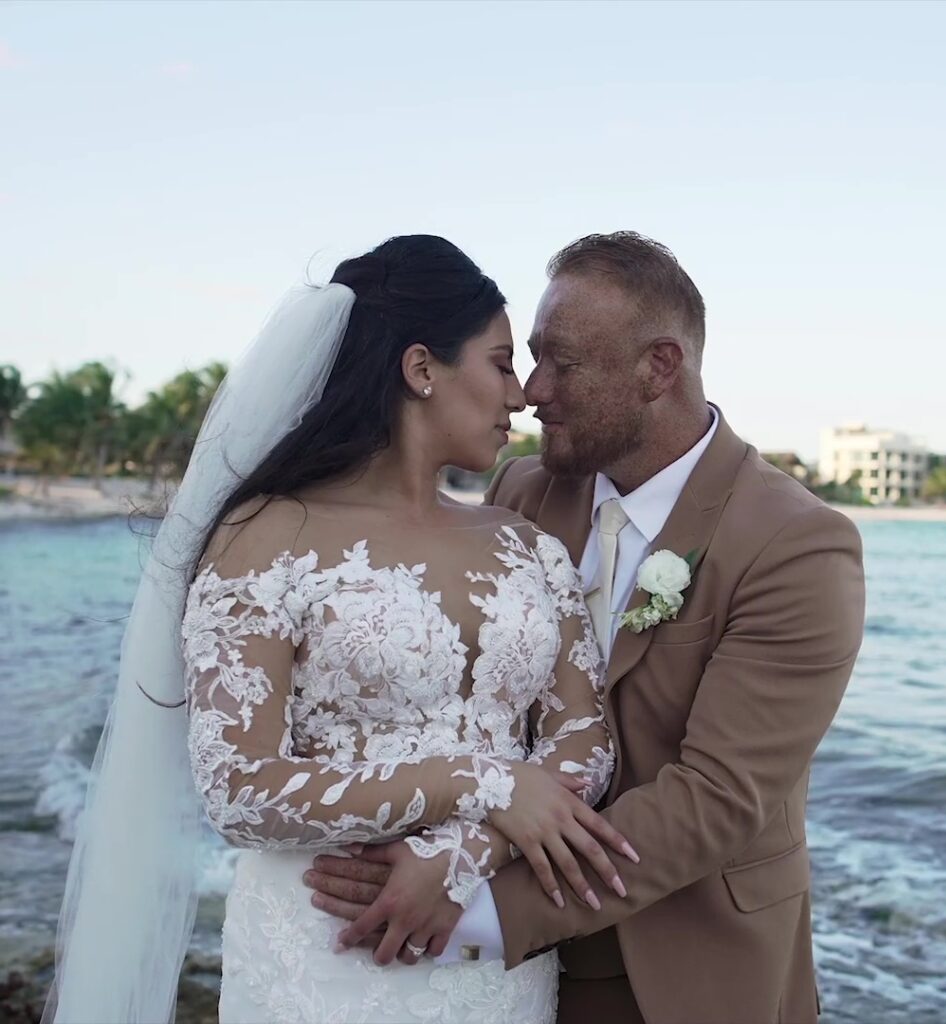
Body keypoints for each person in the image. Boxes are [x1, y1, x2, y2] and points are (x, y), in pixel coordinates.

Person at [45, 235, 633, 1024]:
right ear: (422, 369)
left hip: (488, 956)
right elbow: (237, 789)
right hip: (325, 959)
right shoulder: (264, 538)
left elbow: (585, 744)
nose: (522, 395)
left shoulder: (526, 546)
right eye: (499, 363)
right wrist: (484, 781)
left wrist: (462, 856)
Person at [307, 231, 867, 1024]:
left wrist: (479, 907)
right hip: (505, 974)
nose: (533, 390)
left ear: (658, 367)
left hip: (686, 964)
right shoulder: (523, 490)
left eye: (562, 363)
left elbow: (716, 797)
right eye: (529, 358)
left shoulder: (799, 544)